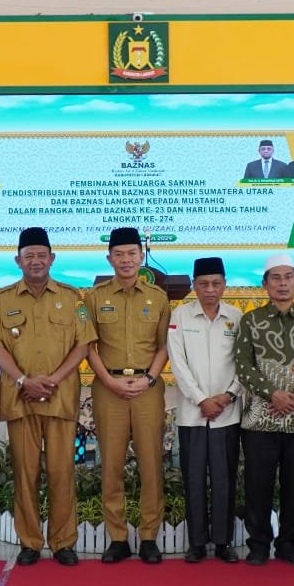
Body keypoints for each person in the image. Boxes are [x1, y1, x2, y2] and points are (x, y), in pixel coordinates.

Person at [0, 227, 96, 566]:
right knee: (25, 472)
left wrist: (54, 379)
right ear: (18, 260)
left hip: (60, 398)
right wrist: (23, 380)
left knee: (62, 472)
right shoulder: (2, 300)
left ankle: (63, 542)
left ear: (52, 258)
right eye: (28, 255)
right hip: (20, 398)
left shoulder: (74, 298)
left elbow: (84, 343)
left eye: (41, 255)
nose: (35, 261)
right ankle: (30, 542)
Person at [234, 253, 294, 566]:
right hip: (259, 420)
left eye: (288, 277)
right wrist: (273, 394)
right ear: (264, 284)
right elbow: (243, 365)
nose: (282, 283)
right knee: (258, 487)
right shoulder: (251, 321)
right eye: (275, 277)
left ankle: (289, 544)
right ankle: (259, 544)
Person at [85, 227, 171, 564]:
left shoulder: (158, 297)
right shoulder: (92, 298)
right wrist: (108, 380)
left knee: (151, 464)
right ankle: (117, 537)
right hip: (109, 388)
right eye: (119, 254)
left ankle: (149, 536)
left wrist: (150, 378)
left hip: (148, 388)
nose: (126, 260)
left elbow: (165, 346)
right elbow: (88, 346)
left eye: (132, 253)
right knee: (112, 465)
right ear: (109, 258)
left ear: (141, 256)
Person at [166, 256, 245, 563]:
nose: (210, 290)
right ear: (194, 286)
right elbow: (178, 363)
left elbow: (244, 365)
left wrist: (227, 396)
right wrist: (201, 399)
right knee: (194, 478)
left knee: (225, 479)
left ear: (224, 284)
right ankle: (197, 542)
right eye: (203, 284)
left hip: (227, 413)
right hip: (193, 415)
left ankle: (223, 542)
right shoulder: (180, 316)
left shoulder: (236, 317)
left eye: (215, 283)